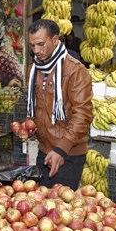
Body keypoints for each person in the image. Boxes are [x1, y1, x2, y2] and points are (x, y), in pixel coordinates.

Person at [27, 19, 93, 189]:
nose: (36, 50)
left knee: (60, 209)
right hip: (44, 151)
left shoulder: (75, 70)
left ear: (55, 40)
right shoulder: (35, 69)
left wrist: (62, 149)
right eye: (33, 45)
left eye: (41, 44)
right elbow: (39, 108)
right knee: (39, 206)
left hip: (69, 153)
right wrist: (29, 126)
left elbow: (83, 114)